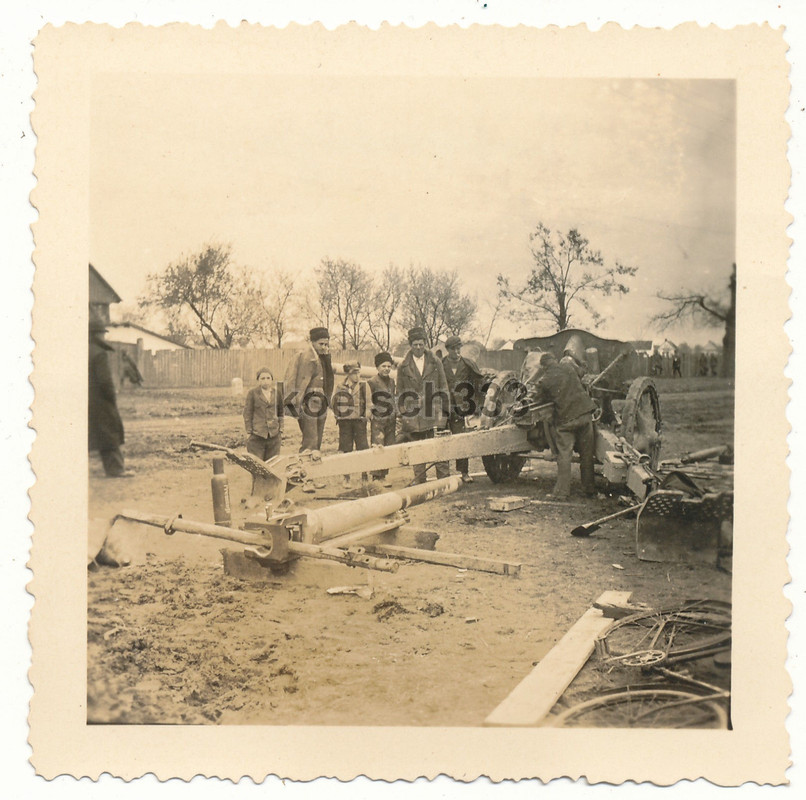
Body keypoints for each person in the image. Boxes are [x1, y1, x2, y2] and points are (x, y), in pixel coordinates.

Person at [531, 352, 596, 499]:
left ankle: (562, 492)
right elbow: (582, 373)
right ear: (555, 360)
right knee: (587, 454)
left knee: (564, 455)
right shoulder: (568, 367)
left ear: (543, 367)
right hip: (585, 415)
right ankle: (589, 489)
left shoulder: (545, 380)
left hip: (567, 421)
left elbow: (538, 400)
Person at [396, 327, 450, 484]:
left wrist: (444, 411)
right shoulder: (403, 366)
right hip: (414, 414)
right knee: (417, 447)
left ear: (425, 343)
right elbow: (399, 392)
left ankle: (444, 480)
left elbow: (444, 387)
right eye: (415, 345)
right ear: (410, 345)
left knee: (439, 445)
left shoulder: (435, 362)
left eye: (421, 344)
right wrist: (404, 413)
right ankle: (420, 480)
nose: (418, 348)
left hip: (433, 411)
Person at [88, 310, 134, 478]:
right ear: (96, 334)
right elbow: (105, 381)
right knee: (110, 432)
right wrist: (112, 396)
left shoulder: (85, 351)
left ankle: (111, 468)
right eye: (102, 333)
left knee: (99, 433)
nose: (104, 336)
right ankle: (116, 469)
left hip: (89, 401)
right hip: (101, 400)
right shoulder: (99, 354)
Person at [283, 327, 335, 454]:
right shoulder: (303, 357)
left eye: (326, 344)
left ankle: (314, 458)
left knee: (318, 435)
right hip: (308, 401)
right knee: (310, 438)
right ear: (312, 342)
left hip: (321, 401)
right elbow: (292, 379)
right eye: (321, 344)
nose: (324, 347)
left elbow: (328, 380)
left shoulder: (323, 358)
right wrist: (292, 404)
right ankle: (306, 460)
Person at [441, 335, 485, 483]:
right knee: (442, 439)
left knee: (461, 439)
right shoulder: (441, 364)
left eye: (458, 348)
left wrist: (476, 404)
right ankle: (443, 474)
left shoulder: (468, 364)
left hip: (461, 408)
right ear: (448, 350)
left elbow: (479, 384)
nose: (457, 351)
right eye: (453, 349)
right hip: (444, 408)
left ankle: (464, 472)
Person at [332, 361, 370, 488]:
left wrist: (366, 416)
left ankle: (364, 475)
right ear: (348, 374)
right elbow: (334, 402)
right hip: (345, 423)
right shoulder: (340, 386)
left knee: (363, 448)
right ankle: (346, 477)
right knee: (346, 449)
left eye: (358, 373)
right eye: (354, 373)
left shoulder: (364, 385)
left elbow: (369, 403)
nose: (357, 376)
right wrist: (338, 415)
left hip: (359, 421)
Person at [243, 367, 284, 461]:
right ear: (258, 380)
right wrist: (249, 432)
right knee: (257, 464)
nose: (266, 381)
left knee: (272, 464)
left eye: (268, 378)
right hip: (257, 435)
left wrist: (281, 429)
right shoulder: (252, 393)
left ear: (272, 379)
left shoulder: (277, 393)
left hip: (274, 435)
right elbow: (247, 413)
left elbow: (281, 412)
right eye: (263, 378)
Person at [368, 352, 397, 487]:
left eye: (389, 366)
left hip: (390, 419)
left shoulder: (392, 382)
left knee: (389, 446)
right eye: (383, 366)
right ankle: (376, 476)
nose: (386, 369)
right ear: (377, 367)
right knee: (378, 445)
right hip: (378, 420)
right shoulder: (372, 382)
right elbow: (368, 400)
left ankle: (384, 475)